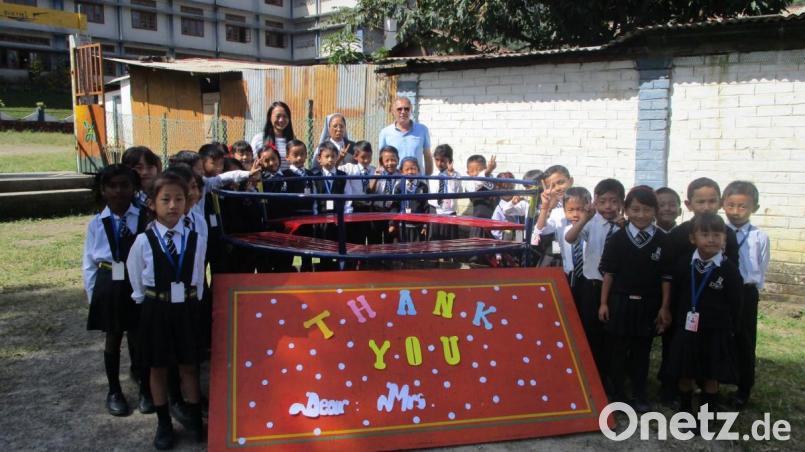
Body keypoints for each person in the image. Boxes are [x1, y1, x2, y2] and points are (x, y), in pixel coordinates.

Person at [127, 172, 207, 449]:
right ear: (152, 204)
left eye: (179, 199)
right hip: (156, 309)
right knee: (158, 367)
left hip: (185, 308)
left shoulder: (195, 239)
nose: (173, 205)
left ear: (187, 203)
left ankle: (195, 419)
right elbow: (136, 277)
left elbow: (198, 274)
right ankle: (163, 424)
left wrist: (193, 302)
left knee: (189, 366)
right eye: (166, 199)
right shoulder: (143, 241)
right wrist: (145, 302)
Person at [599, 186, 673, 412]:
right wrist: (603, 303)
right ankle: (618, 394)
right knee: (618, 350)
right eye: (635, 209)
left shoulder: (663, 239)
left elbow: (666, 277)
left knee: (643, 351)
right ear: (627, 209)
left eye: (647, 209)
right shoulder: (618, 238)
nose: (641, 215)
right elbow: (609, 274)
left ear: (655, 211)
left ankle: (640, 394)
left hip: (649, 304)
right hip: (620, 302)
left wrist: (664, 307)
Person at [83, 164, 149, 417]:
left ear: (134, 188)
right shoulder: (96, 224)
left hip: (136, 280)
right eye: (112, 186)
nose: (119, 191)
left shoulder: (143, 217)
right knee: (113, 336)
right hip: (109, 282)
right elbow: (89, 261)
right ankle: (114, 390)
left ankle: (145, 389)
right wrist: (93, 295)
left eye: (125, 185)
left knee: (138, 336)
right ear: (103, 189)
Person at [667, 213, 742, 422]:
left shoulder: (728, 270)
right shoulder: (684, 264)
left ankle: (707, 416)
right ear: (693, 238)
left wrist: (731, 329)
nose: (711, 239)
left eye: (717, 235)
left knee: (711, 375)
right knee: (685, 373)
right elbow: (676, 294)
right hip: (687, 330)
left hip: (715, 332)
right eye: (705, 234)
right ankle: (684, 412)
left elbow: (736, 303)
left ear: (725, 238)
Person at [565, 178, 626, 387]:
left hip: (615, 288)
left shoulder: (624, 227)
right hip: (591, 285)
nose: (608, 207)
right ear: (595, 202)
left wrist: (625, 227)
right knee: (590, 331)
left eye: (614, 201)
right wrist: (584, 218)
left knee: (612, 334)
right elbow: (570, 238)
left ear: (621, 203)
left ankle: (610, 376)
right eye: (603, 202)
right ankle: (592, 375)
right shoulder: (591, 222)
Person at [722, 180, 770, 408]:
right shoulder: (717, 231)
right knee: (720, 337)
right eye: (731, 205)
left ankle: (744, 388)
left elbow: (761, 266)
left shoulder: (759, 236)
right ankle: (716, 380)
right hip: (721, 291)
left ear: (755, 208)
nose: (736, 212)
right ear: (723, 205)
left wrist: (751, 289)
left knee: (745, 339)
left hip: (746, 293)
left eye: (743, 206)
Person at [311, 142, 351, 270]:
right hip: (321, 219)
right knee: (321, 245)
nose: (330, 159)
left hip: (338, 218)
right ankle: (321, 270)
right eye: (327, 156)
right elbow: (314, 198)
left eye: (333, 156)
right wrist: (315, 217)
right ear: (319, 159)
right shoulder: (315, 176)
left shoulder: (342, 176)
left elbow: (348, 196)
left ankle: (338, 270)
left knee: (337, 246)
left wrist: (346, 215)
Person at [555, 186, 591, 304]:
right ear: (564, 211)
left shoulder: (591, 228)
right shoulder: (562, 230)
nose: (575, 214)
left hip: (588, 278)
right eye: (570, 210)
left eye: (580, 209)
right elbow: (559, 250)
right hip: (569, 275)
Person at [378, 96, 433, 175]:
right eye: (399, 109)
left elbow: (427, 156)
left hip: (416, 180)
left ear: (411, 110)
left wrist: (426, 179)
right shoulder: (385, 132)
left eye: (406, 109)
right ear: (393, 111)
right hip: (394, 180)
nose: (403, 112)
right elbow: (381, 160)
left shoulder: (422, 130)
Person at [534, 165, 574, 265]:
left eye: (561, 182)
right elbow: (537, 234)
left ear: (571, 181)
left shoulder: (585, 203)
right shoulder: (553, 210)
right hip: (558, 254)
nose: (557, 188)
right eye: (551, 186)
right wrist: (546, 207)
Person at [339, 141, 375, 247]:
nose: (367, 160)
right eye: (363, 157)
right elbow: (334, 169)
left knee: (371, 235)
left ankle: (369, 261)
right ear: (355, 156)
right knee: (356, 238)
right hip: (356, 208)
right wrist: (340, 158)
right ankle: (356, 262)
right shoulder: (349, 168)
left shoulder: (374, 170)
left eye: (369, 157)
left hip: (370, 208)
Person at [428, 144, 463, 240]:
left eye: (443, 161)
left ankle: (449, 255)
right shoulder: (432, 175)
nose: (439, 163)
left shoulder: (456, 175)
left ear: (450, 161)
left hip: (449, 212)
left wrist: (451, 175)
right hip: (434, 210)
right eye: (437, 160)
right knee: (435, 239)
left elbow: (458, 192)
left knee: (449, 239)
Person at [390, 157, 429, 243]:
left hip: (417, 227)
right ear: (401, 172)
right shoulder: (399, 187)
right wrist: (392, 223)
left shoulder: (423, 187)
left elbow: (426, 207)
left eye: (413, 169)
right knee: (402, 251)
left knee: (416, 251)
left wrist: (425, 225)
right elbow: (395, 206)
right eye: (407, 169)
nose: (410, 172)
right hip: (402, 226)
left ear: (418, 170)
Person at [368, 146, 401, 245]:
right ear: (381, 162)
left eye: (393, 160)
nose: (390, 163)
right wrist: (376, 176)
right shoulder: (377, 173)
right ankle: (374, 260)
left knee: (390, 238)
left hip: (393, 211)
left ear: (398, 160)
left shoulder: (401, 175)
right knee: (375, 238)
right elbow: (370, 190)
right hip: (377, 210)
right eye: (387, 160)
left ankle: (390, 260)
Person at [250, 101, 295, 171]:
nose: (281, 120)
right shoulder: (259, 139)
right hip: (268, 180)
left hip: (289, 181)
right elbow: (253, 163)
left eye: (285, 116)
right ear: (269, 117)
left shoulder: (293, 140)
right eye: (278, 116)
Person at [464, 154, 498, 239]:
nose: (476, 173)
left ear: (485, 167)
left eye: (479, 170)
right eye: (472, 171)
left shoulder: (492, 180)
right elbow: (479, 182)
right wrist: (488, 171)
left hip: (493, 221)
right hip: (478, 223)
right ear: (468, 173)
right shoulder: (470, 184)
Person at [491, 172, 529, 241]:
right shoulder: (499, 208)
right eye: (504, 188)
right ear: (498, 189)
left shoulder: (517, 203)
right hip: (505, 240)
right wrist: (503, 238)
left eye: (511, 188)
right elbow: (494, 230)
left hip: (518, 236)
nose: (508, 190)